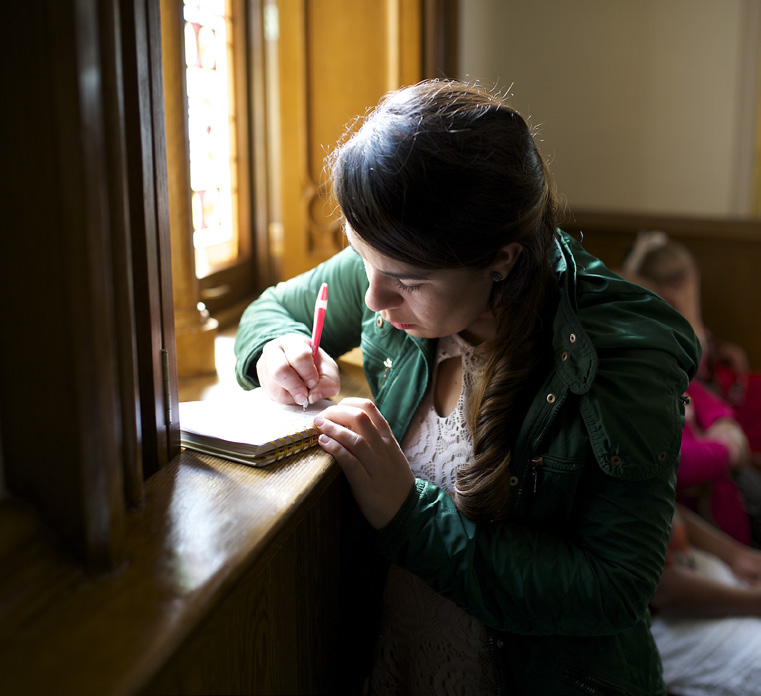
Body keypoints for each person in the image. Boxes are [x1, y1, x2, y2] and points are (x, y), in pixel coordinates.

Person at [234, 80, 700, 695]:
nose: (372, 298)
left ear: (501, 261)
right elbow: (273, 310)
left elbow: (613, 588)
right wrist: (277, 351)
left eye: (406, 282)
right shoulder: (400, 250)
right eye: (361, 258)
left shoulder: (621, 355)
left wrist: (411, 516)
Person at [622, 232, 761, 547]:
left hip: (730, 490)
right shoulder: (639, 398)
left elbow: (702, 396)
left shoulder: (673, 373)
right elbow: (676, 463)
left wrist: (724, 423)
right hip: (708, 510)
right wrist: (726, 450)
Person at [649, 503, 761, 696]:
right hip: (663, 623)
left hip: (701, 573)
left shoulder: (654, 493)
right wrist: (754, 601)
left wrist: (738, 556)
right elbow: (663, 591)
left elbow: (671, 509)